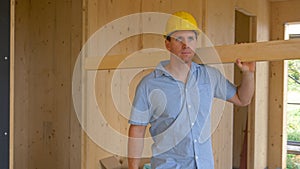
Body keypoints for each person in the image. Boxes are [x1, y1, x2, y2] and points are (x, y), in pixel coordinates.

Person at [128, 11, 255, 169]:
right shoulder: (149, 85)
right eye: (179, 39)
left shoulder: (209, 76)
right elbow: (137, 130)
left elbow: (242, 99)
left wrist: (248, 74)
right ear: (167, 44)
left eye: (190, 38)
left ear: (196, 42)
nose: (185, 45)